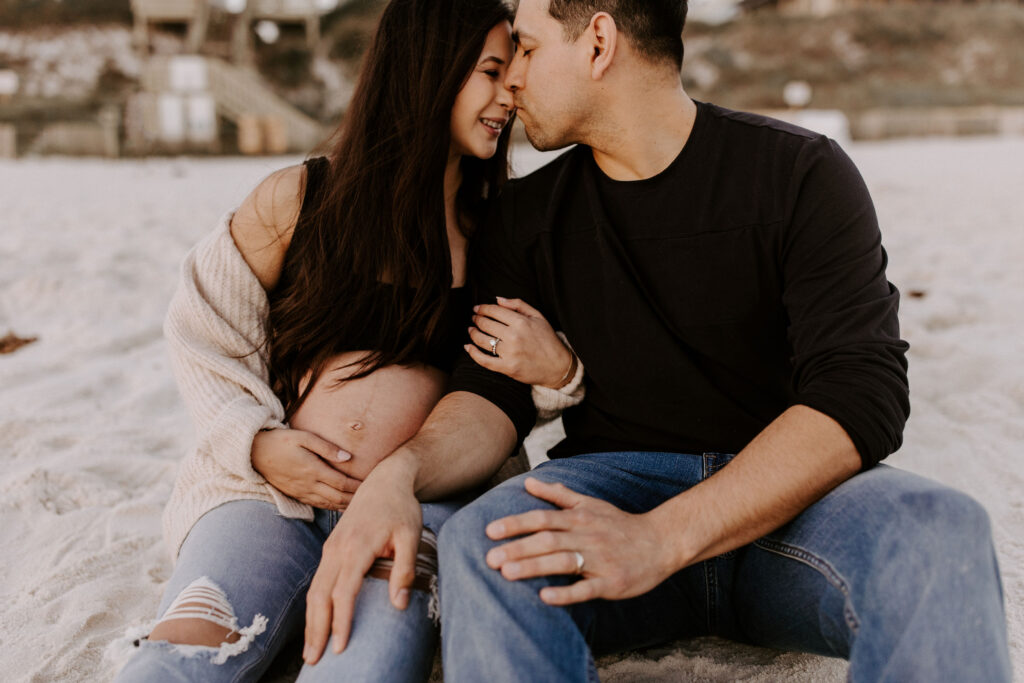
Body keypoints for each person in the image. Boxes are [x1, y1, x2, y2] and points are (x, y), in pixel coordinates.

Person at [300, 0, 1014, 681]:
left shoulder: (799, 174)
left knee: (940, 528)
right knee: (486, 547)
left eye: (529, 45)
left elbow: (863, 395)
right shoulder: (525, 220)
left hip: (791, 509)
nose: (512, 75)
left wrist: (667, 535)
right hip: (607, 500)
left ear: (599, 43)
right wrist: (401, 471)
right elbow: (489, 396)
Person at [116, 1, 585, 681]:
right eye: (490, 70)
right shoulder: (302, 200)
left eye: (514, 71)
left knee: (365, 665)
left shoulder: (500, 235)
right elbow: (201, 330)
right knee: (184, 652)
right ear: (429, 72)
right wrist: (255, 441)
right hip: (266, 495)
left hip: (415, 508)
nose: (510, 90)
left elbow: (520, 386)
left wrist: (559, 370)